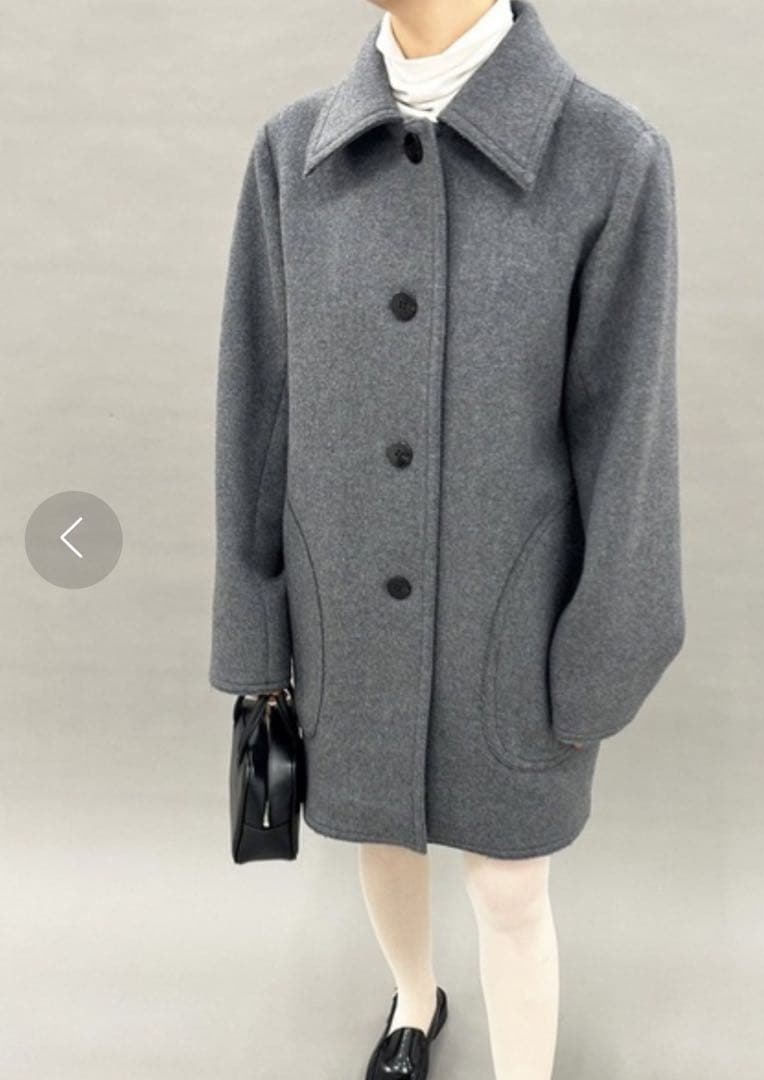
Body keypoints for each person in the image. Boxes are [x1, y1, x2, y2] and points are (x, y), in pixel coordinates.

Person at [210, 1, 684, 1076]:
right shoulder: (292, 154)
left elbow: (630, 434)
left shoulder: (608, 157)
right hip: (342, 605)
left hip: (508, 613)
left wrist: (602, 650)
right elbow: (258, 409)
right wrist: (256, 628)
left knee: (510, 886)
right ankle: (414, 1006)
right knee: (380, 834)